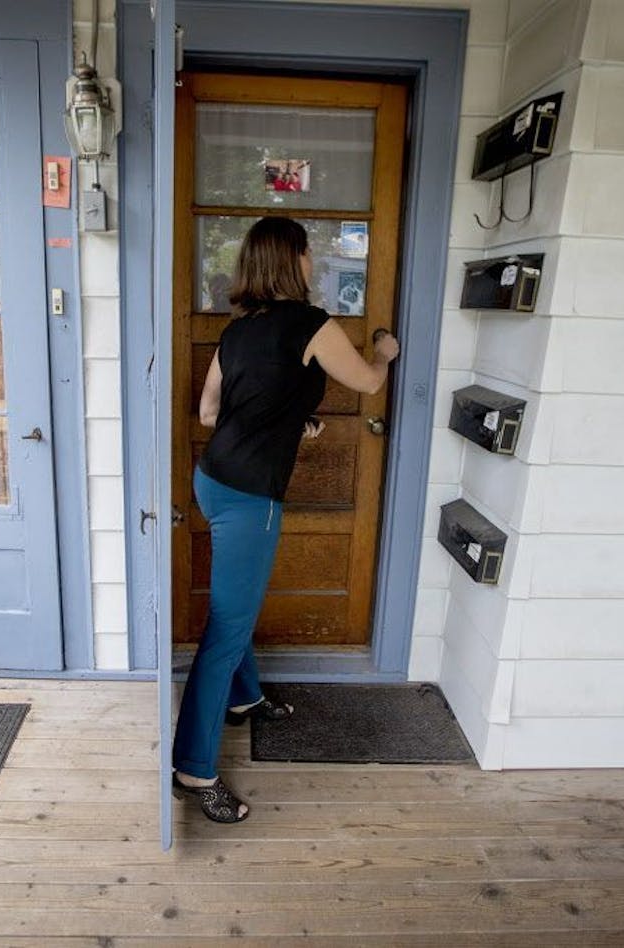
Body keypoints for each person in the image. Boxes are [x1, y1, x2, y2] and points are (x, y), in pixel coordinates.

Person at [172, 216, 400, 823]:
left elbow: (208, 413)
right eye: (308, 251)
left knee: (233, 605)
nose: (312, 260)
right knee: (227, 626)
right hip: (250, 499)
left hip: (212, 481)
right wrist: (383, 350)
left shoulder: (238, 329)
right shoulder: (312, 324)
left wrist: (287, 420)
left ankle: (244, 701)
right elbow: (369, 384)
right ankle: (194, 770)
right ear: (292, 259)